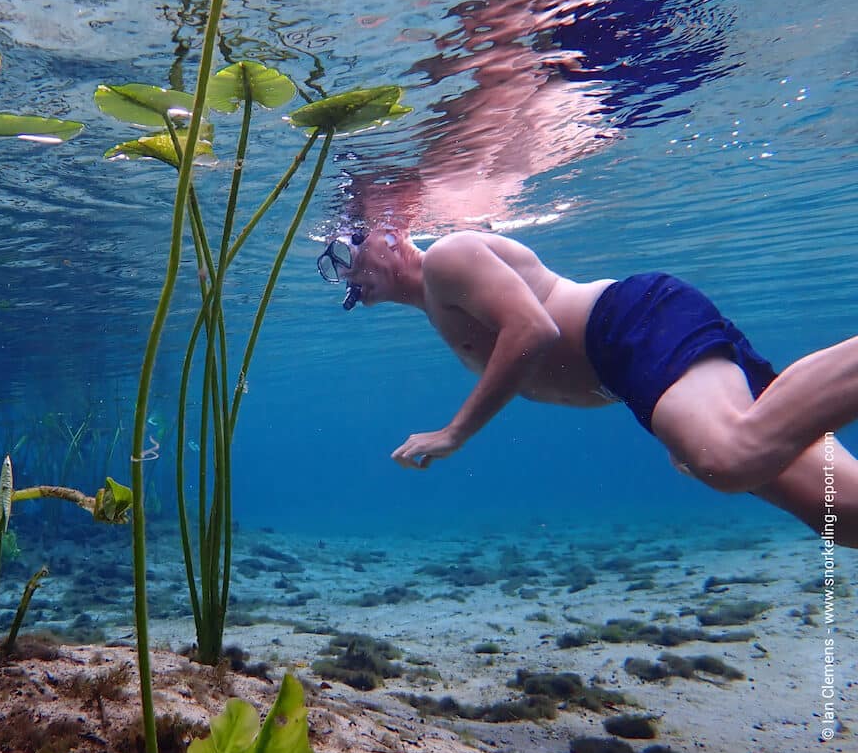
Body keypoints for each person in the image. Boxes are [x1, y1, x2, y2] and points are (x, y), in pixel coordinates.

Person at [316, 228, 858, 546]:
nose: (342, 270)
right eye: (331, 265)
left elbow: (534, 331)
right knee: (841, 512)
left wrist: (453, 434)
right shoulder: (436, 302)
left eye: (346, 250)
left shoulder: (446, 259)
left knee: (730, 456)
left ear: (390, 237)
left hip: (631, 327)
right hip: (632, 366)